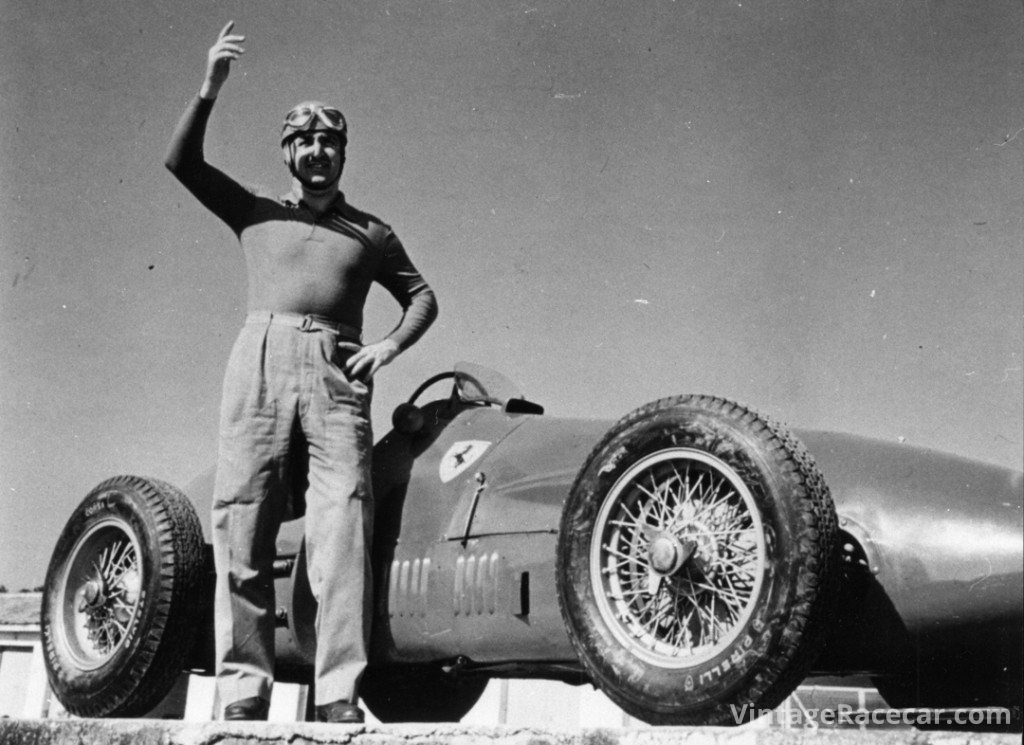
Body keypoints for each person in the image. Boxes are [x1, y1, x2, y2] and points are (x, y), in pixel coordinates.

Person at [165, 22, 438, 723]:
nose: (317, 152)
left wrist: (386, 348)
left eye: (329, 142)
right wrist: (210, 87)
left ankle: (339, 689)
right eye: (304, 141)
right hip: (258, 359)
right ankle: (243, 687)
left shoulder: (370, 233)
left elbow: (422, 296)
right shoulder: (255, 211)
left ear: (342, 153)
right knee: (244, 520)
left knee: (342, 523)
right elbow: (182, 162)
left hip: (338, 373)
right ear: (288, 152)